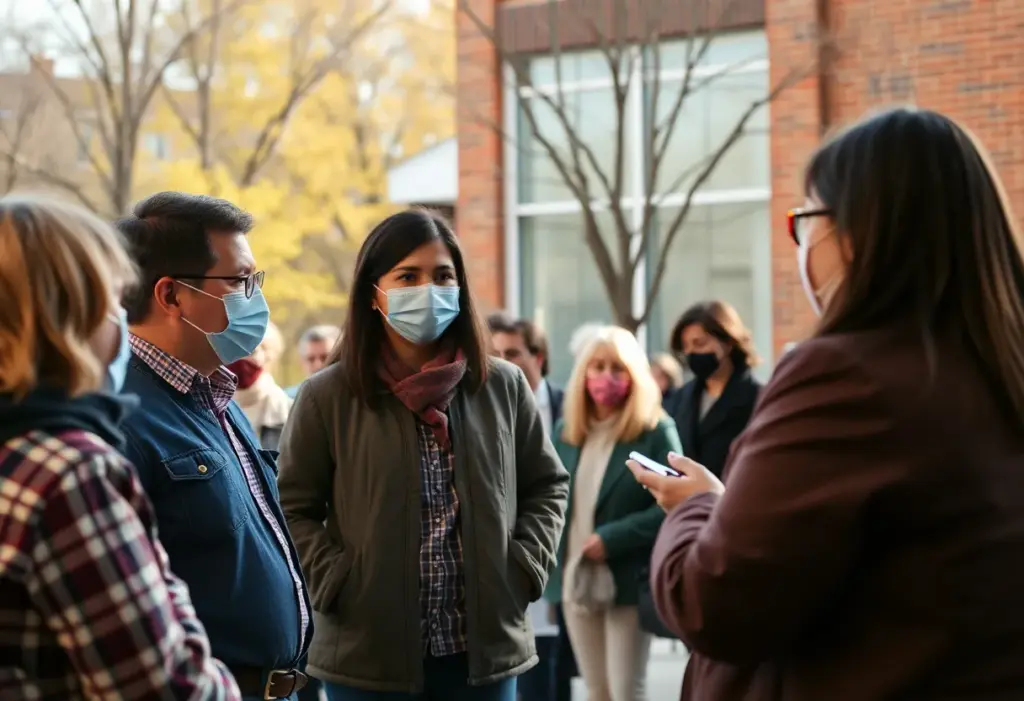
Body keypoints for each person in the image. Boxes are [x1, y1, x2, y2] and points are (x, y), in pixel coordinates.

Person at [631, 107, 1024, 700]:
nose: (801, 245)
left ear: (860, 232)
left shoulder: (845, 377)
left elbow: (715, 603)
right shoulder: (995, 372)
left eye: (805, 219)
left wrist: (697, 510)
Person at [276, 209, 569, 701]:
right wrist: (336, 580)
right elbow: (291, 506)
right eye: (408, 276)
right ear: (374, 292)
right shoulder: (328, 395)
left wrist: (524, 567)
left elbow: (547, 484)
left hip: (484, 652)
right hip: (368, 656)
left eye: (443, 276)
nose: (428, 290)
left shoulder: (501, 385)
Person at [0, 194, 240, 699]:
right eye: (114, 299)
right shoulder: (67, 473)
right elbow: (166, 686)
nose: (123, 321)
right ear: (70, 313)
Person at [116, 192, 312, 701]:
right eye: (238, 281)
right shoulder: (121, 418)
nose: (254, 297)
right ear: (171, 295)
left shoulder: (216, 395)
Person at [545, 325, 682, 701]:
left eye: (617, 368)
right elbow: (550, 495)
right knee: (596, 689)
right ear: (583, 373)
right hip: (575, 576)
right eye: (598, 366)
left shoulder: (655, 430)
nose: (606, 376)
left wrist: (613, 538)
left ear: (635, 374)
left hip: (626, 578)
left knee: (625, 690)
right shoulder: (567, 430)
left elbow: (675, 503)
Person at [485, 312, 577, 701]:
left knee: (562, 671)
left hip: (566, 553)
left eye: (513, 353)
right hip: (512, 556)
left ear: (538, 357)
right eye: (495, 353)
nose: (503, 361)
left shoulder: (571, 407)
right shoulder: (480, 405)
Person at [664, 301, 761, 479]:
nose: (691, 353)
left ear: (728, 342)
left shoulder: (758, 399)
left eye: (700, 343)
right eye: (686, 347)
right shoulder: (679, 399)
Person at [228, 320, 293, 451]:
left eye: (251, 351)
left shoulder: (290, 412)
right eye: (233, 350)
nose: (241, 359)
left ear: (269, 355)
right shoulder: (209, 413)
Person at [286, 324, 342, 398]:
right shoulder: (288, 399)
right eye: (311, 359)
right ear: (301, 362)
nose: (318, 365)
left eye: (325, 357)